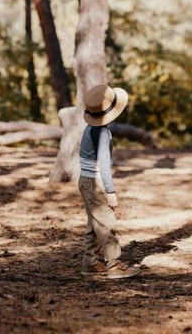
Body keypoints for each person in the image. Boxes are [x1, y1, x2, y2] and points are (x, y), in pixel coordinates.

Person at [78, 84, 140, 280]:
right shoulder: (103, 133)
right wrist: (110, 190)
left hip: (85, 180)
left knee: (94, 224)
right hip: (96, 183)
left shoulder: (90, 129)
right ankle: (113, 265)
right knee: (106, 224)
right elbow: (104, 164)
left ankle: (89, 263)